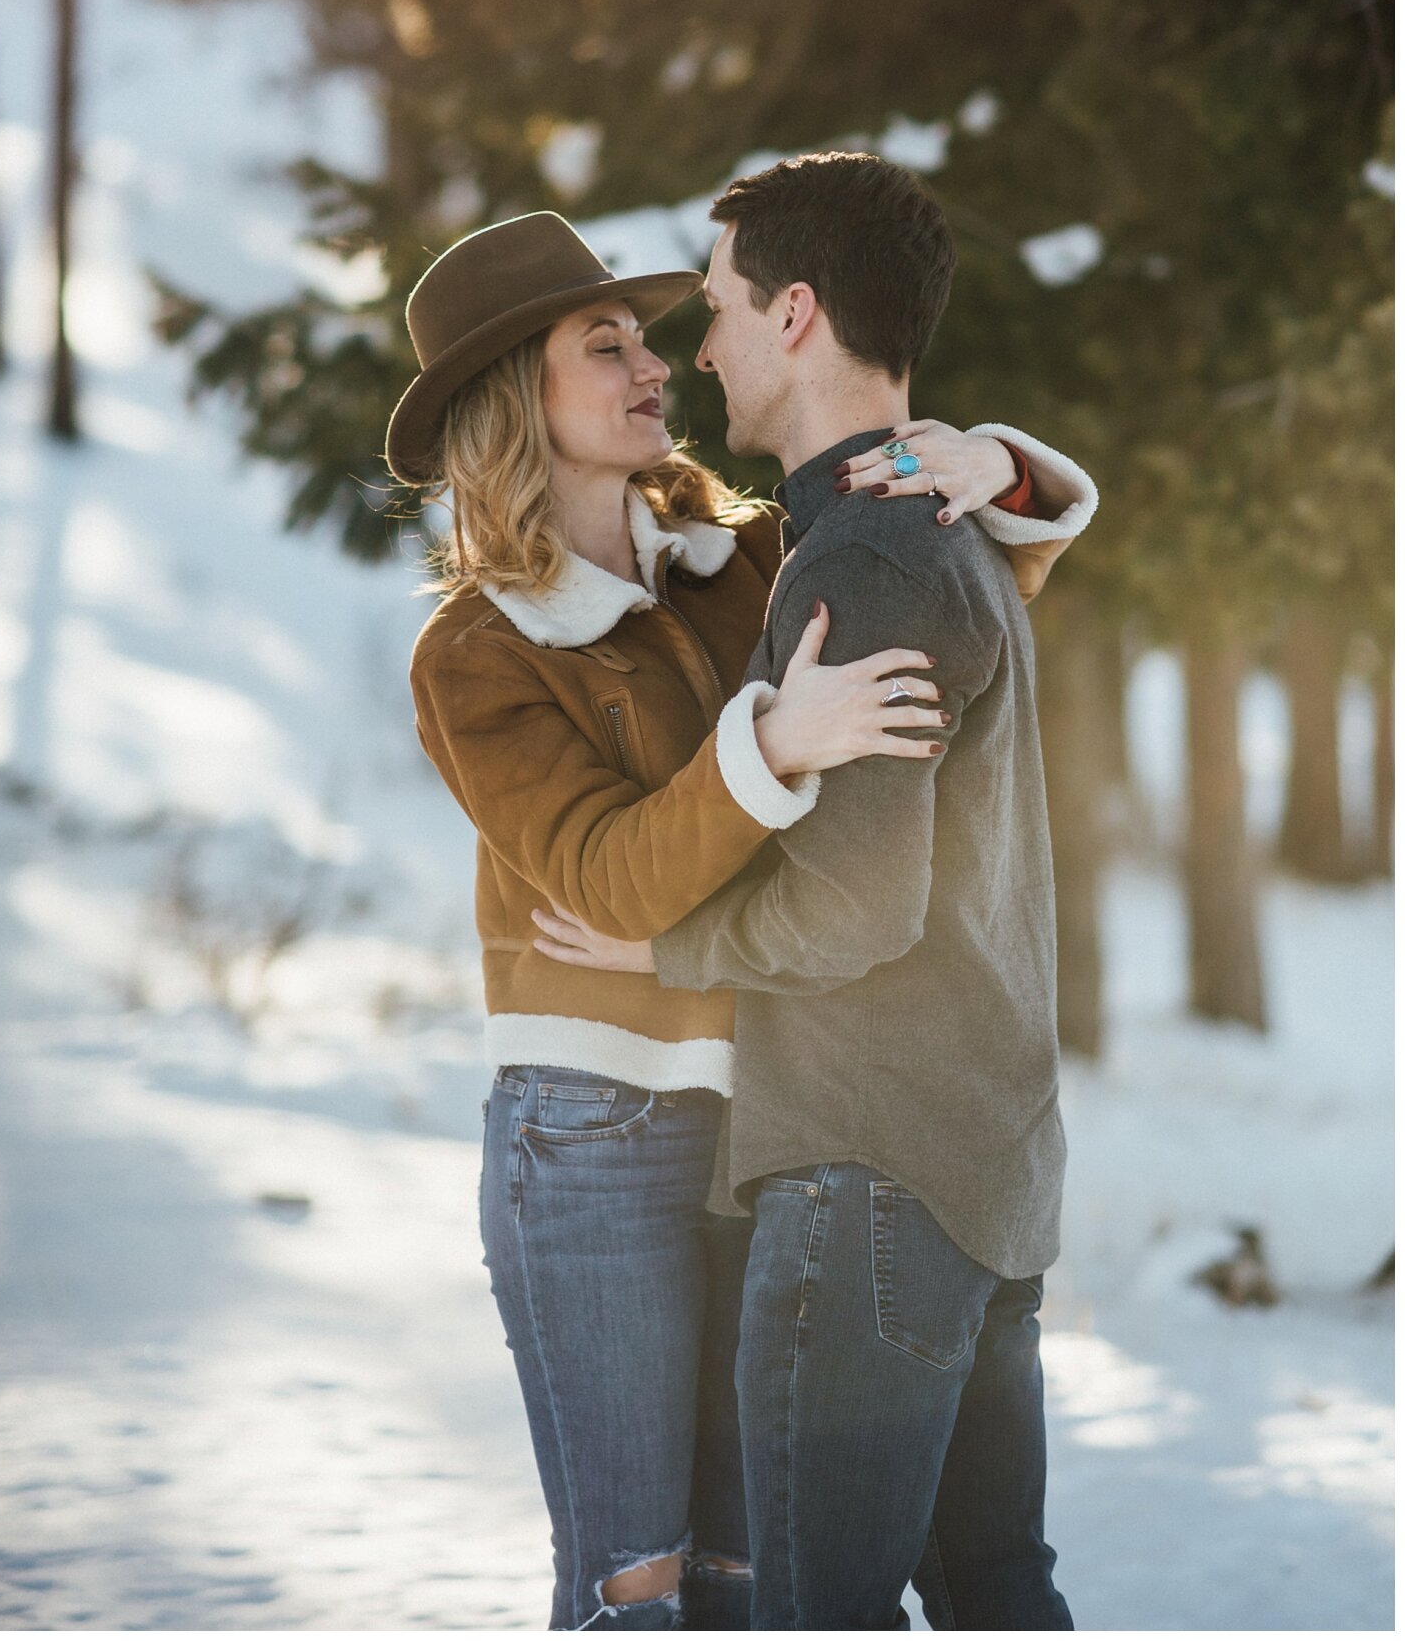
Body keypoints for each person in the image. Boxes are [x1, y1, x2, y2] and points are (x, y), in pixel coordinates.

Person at [388, 196, 1096, 1631]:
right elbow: (609, 879)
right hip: (588, 1132)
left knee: (745, 1579)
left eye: (654, 336)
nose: (660, 366)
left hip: (754, 1113)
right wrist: (770, 746)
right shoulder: (472, 650)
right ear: (513, 399)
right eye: (608, 346)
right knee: (635, 1584)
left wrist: (992, 462)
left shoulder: (746, 553)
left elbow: (942, 571)